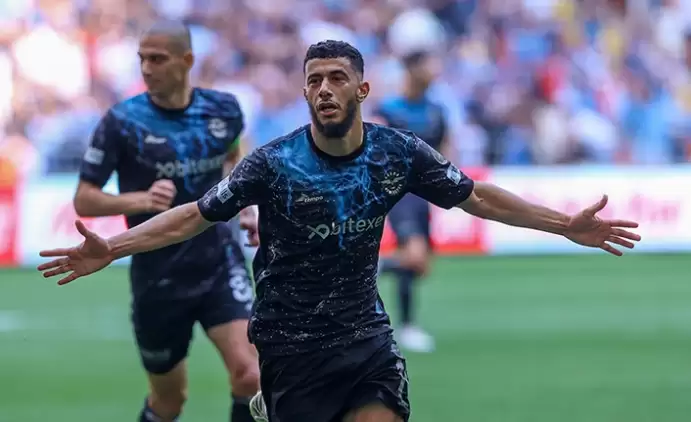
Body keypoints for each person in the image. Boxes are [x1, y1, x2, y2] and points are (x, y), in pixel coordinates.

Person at [38, 40, 641, 422]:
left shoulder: (397, 152)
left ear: (361, 88)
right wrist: (111, 247)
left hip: (364, 336)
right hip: (289, 345)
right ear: (304, 91)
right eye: (314, 80)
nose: (324, 89)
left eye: (335, 77)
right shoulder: (273, 163)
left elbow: (476, 196)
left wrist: (565, 225)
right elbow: (196, 213)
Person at [71, 21, 259, 422]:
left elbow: (235, 156)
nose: (147, 68)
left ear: (187, 60)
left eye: (157, 59)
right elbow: (84, 197)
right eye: (142, 59)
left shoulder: (224, 110)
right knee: (169, 402)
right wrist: (141, 199)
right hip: (157, 274)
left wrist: (247, 203)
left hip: (218, 262)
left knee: (251, 374)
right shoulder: (123, 121)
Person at [372, 50, 448, 353]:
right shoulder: (388, 109)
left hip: (423, 195)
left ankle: (405, 324)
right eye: (429, 65)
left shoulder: (436, 111)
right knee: (414, 256)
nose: (435, 70)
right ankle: (369, 270)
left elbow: (443, 152)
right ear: (412, 70)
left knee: (420, 265)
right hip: (399, 192)